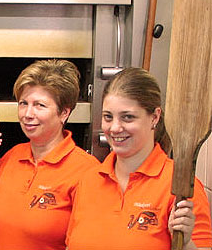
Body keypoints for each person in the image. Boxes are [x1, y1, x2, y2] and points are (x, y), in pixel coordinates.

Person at [66, 67, 212, 250]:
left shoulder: (179, 185)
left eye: (127, 117)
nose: (115, 128)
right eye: (108, 117)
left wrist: (187, 244)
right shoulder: (88, 180)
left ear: (154, 117)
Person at [0, 59, 100, 250]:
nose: (27, 114)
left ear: (64, 112)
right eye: (24, 103)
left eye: (39, 105)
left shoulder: (87, 171)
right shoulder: (12, 157)